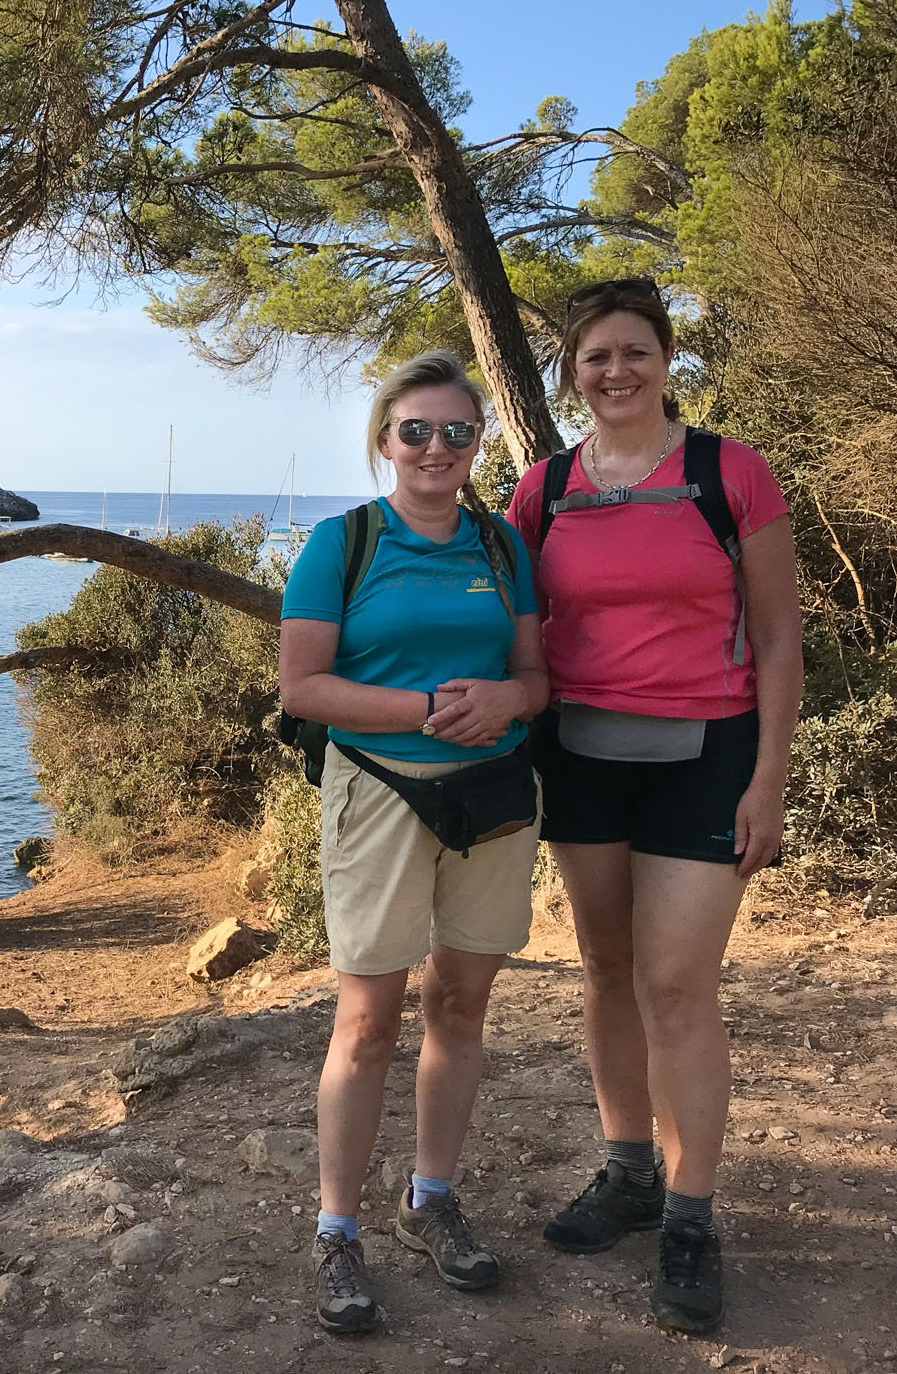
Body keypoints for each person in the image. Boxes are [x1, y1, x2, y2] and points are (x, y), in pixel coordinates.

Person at [506, 278, 802, 1335]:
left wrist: (768, 778)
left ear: (666, 361)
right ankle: (627, 1169)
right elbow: (515, 629)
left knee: (677, 984)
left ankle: (689, 1214)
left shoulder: (731, 473)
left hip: (707, 753)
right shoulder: (541, 489)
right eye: (596, 357)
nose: (616, 372)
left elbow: (777, 639)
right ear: (571, 373)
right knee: (606, 969)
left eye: (635, 352)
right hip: (580, 754)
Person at [279, 350, 550, 1334]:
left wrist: (510, 699)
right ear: (384, 443)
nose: (437, 448)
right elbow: (302, 688)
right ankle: (337, 1229)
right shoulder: (342, 543)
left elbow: (536, 678)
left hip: (493, 799)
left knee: (463, 1005)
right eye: (416, 431)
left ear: (480, 444)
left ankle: (430, 1199)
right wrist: (428, 708)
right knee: (368, 1025)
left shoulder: (501, 548)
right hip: (379, 794)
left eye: (458, 432)